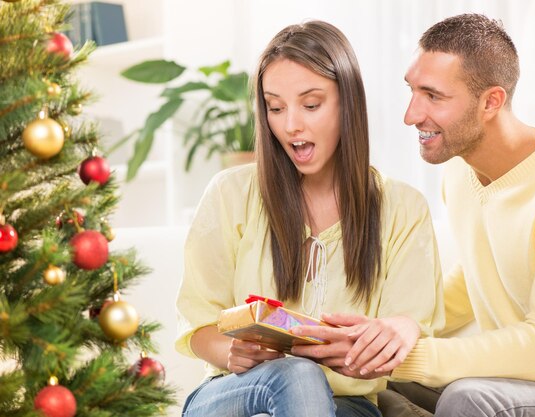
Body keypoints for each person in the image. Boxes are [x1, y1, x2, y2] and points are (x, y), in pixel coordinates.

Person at [293, 13, 535, 417]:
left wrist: (409, 355)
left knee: (468, 397)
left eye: (433, 96)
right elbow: (473, 281)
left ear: (491, 101)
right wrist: (387, 330)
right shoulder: (460, 168)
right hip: (520, 379)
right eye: (412, 90)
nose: (411, 115)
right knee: (378, 371)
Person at [174, 20, 444, 417]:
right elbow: (197, 324)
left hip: (346, 406)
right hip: (233, 394)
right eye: (275, 107)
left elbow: (410, 328)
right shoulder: (230, 194)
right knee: (296, 375)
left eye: (311, 105)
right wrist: (231, 351)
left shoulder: (403, 208)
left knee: (305, 382)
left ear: (347, 102)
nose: (290, 125)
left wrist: (385, 338)